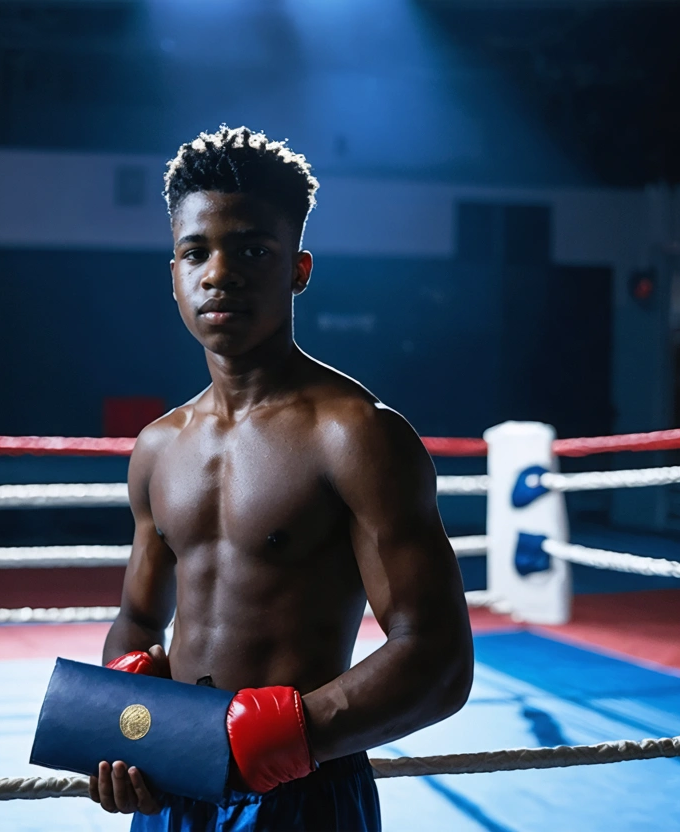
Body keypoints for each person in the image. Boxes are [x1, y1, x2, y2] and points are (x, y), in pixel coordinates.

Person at [88, 125, 474, 831]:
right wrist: (126, 727)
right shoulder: (157, 448)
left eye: (252, 250)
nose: (219, 273)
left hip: (301, 795)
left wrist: (278, 740)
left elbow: (438, 657)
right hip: (175, 784)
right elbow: (140, 620)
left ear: (298, 270)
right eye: (195, 252)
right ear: (172, 272)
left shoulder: (356, 435)